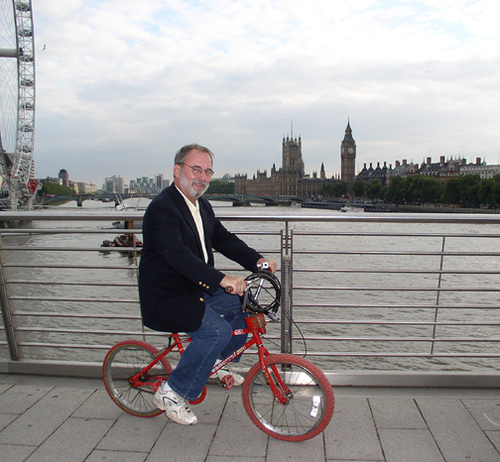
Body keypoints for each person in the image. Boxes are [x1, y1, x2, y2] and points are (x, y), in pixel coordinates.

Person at [138, 143, 277, 426]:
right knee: (216, 331)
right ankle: (172, 392)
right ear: (177, 170)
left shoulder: (201, 205)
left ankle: (213, 362)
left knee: (244, 306)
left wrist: (257, 261)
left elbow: (223, 239)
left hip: (196, 287)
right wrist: (222, 279)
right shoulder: (162, 208)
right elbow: (177, 255)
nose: (202, 177)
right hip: (168, 294)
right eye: (196, 169)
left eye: (208, 171)